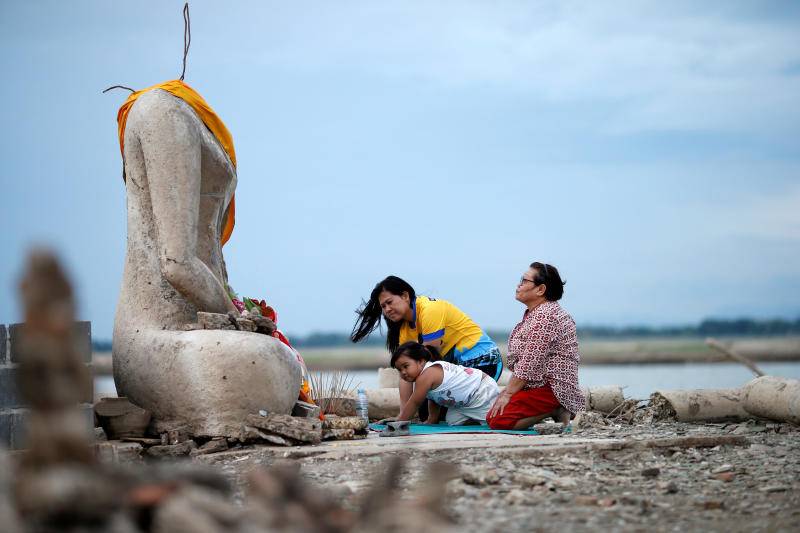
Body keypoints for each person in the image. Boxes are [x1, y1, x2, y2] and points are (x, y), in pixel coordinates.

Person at [351, 276, 502, 416]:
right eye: (383, 306)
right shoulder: (404, 330)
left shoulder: (430, 310)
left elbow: (428, 364)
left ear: (405, 296)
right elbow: (406, 371)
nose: (387, 310)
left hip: (485, 361)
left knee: (434, 411)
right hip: (458, 368)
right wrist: (403, 415)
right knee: (424, 413)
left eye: (389, 302)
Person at [487, 262, 585, 430]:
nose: (519, 285)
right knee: (493, 414)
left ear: (540, 290)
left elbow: (529, 363)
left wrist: (509, 393)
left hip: (553, 386)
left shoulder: (546, 317)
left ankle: (556, 408)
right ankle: (551, 410)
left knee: (498, 420)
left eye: (524, 281)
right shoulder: (537, 313)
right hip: (536, 385)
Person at [392, 342, 500, 426]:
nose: (403, 372)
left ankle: (497, 411)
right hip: (464, 404)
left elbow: (415, 402)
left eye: (406, 366)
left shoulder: (427, 374)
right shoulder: (424, 376)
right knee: (452, 422)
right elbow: (433, 398)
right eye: (399, 370)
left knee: (493, 421)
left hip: (480, 391)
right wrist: (432, 419)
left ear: (420, 361)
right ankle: (475, 419)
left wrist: (400, 421)